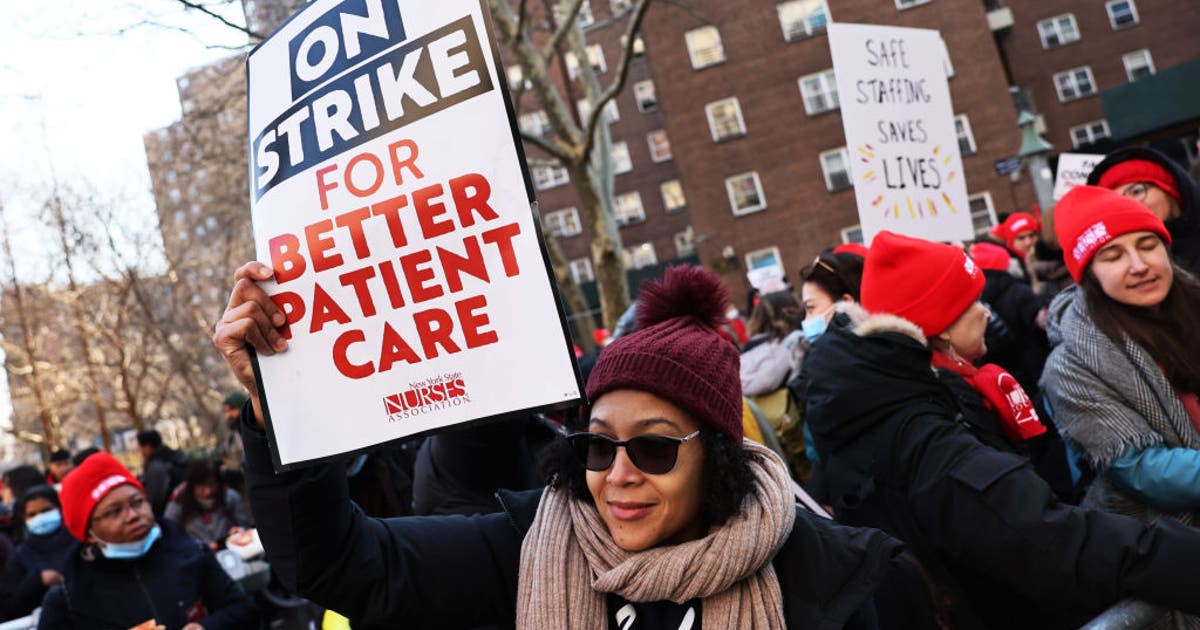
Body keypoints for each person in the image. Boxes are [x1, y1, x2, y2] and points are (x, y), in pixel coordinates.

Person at [215, 261, 927, 629]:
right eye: (596, 445)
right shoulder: (532, 546)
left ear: (718, 455)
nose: (617, 475)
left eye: (654, 449)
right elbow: (336, 562)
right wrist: (278, 407)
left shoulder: (838, 574)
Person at [804, 229, 1200, 628]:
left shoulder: (902, 395)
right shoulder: (924, 434)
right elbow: (1044, 537)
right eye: (972, 301)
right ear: (939, 325)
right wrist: (1180, 561)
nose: (987, 311)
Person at [1043, 186, 1200, 527]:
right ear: (1090, 276)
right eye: (1113, 256)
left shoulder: (1195, 305)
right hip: (1168, 542)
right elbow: (1142, 469)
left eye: (1148, 246)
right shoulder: (1070, 368)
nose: (1139, 265)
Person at [39, 452, 258, 629]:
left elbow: (243, 610)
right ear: (88, 533)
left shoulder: (192, 552)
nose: (133, 515)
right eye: (114, 512)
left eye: (137, 502)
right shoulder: (68, 597)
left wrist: (205, 626)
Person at [1088, 146, 1200, 274]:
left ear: (1170, 190)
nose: (1131, 205)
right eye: (1117, 202)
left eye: (1137, 191)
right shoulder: (1131, 272)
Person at [968, 242, 1050, 398]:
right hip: (1038, 370)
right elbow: (1046, 326)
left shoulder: (974, 301)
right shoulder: (1019, 292)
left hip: (1006, 379)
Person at [0, 485, 74, 621]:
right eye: (32, 515)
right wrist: (37, 581)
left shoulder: (79, 541)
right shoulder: (19, 557)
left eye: (46, 510)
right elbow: (9, 606)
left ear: (60, 509)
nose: (40, 517)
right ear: (24, 519)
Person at [164, 459, 251, 551]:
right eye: (201, 486)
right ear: (193, 485)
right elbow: (169, 534)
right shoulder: (179, 500)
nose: (207, 491)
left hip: (229, 551)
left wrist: (240, 531)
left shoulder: (229, 496)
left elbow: (245, 526)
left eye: (212, 484)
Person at [137, 429, 189, 519]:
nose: (140, 452)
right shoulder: (175, 457)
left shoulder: (156, 466)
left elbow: (155, 499)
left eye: (140, 448)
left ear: (148, 446)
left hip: (170, 516)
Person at [221, 392, 248, 473]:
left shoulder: (257, 431)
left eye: (231, 410)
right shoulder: (232, 436)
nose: (228, 415)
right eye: (225, 411)